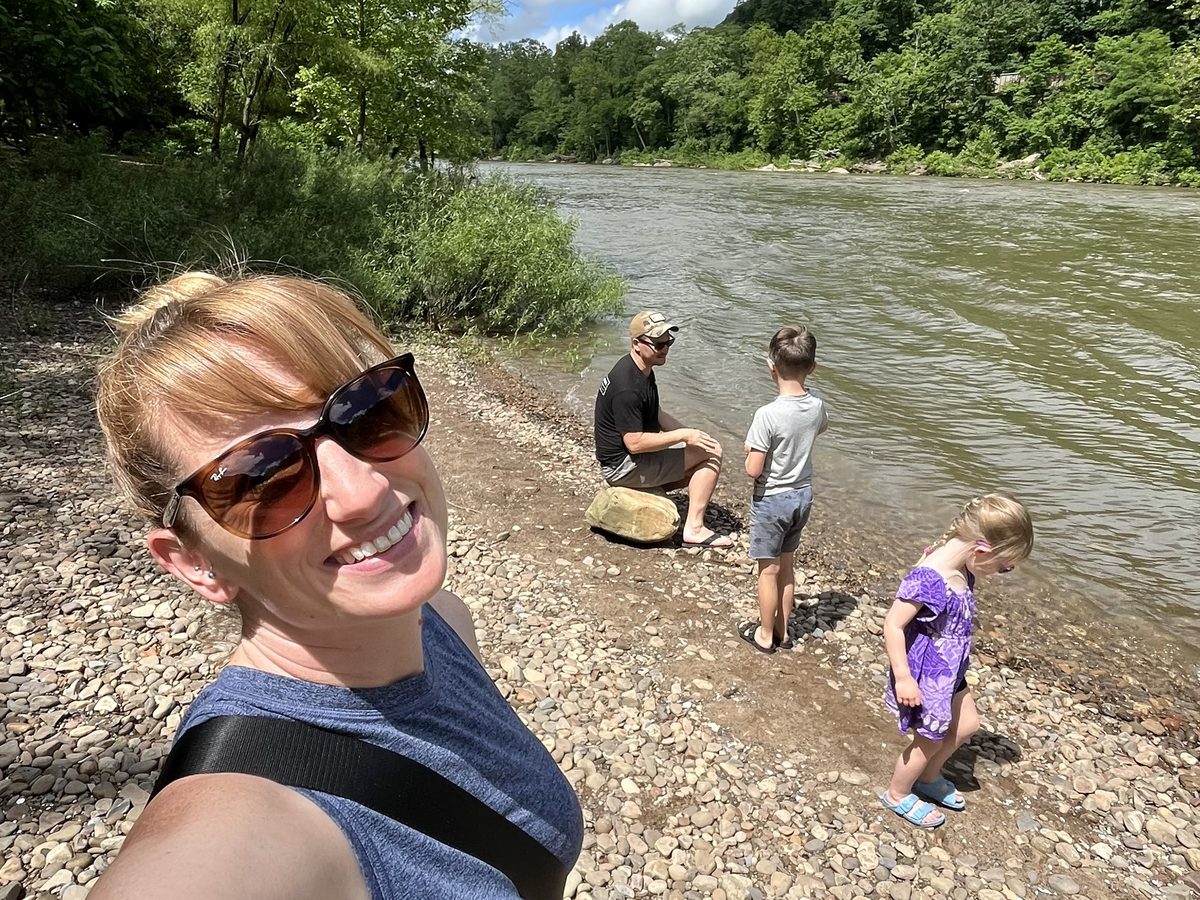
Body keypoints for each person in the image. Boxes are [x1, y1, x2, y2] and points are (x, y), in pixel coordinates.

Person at [90, 272, 583, 900]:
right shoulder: (248, 818)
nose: (364, 492)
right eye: (263, 478)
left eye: (368, 411)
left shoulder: (444, 623)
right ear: (195, 563)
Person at [880, 493, 1033, 829]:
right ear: (981, 551)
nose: (1001, 572)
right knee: (930, 737)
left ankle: (929, 777)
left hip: (950, 669)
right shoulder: (931, 577)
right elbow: (893, 624)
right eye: (1002, 567)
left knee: (967, 726)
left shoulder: (963, 564)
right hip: (925, 673)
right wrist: (903, 678)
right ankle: (898, 792)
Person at [593, 310, 731, 547]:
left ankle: (657, 493)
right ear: (637, 344)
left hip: (628, 460)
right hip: (622, 467)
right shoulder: (627, 386)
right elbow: (634, 443)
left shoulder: (641, 370)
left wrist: (691, 435)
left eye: (668, 342)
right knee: (712, 454)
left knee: (703, 448)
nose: (665, 349)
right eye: (658, 344)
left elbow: (655, 413)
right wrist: (683, 436)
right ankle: (694, 529)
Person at [739, 326, 828, 654]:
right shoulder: (817, 405)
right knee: (787, 565)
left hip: (772, 499)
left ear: (771, 367)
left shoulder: (767, 415)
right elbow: (820, 428)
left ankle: (764, 635)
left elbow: (754, 469)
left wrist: (749, 451)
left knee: (768, 570)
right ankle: (783, 631)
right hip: (802, 495)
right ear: (812, 368)